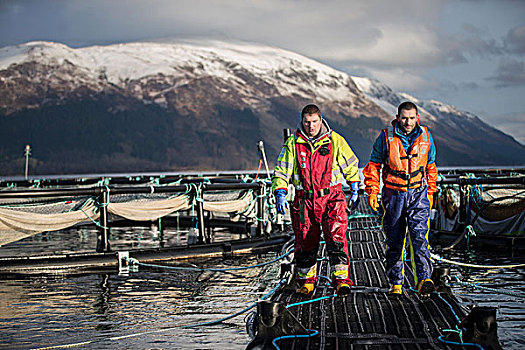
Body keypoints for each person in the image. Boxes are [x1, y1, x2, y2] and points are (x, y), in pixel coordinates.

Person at [272, 104, 360, 296]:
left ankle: (341, 280)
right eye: (307, 122)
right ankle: (306, 281)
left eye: (314, 122)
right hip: (305, 200)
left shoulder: (335, 141)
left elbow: (351, 164)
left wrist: (354, 186)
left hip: (332, 197)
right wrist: (280, 191)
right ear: (302, 121)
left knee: (336, 237)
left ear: (321, 120)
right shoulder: (293, 144)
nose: (311, 126)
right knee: (305, 240)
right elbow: (281, 170)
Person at [363, 101, 438, 298]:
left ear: (417, 118)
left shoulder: (426, 137)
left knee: (420, 237)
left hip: (418, 193)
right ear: (398, 117)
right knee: (395, 239)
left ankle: (424, 279)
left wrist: (430, 192)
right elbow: (373, 166)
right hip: (393, 194)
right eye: (404, 118)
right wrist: (372, 191)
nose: (408, 121)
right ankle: (395, 282)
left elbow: (430, 167)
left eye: (412, 118)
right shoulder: (386, 137)